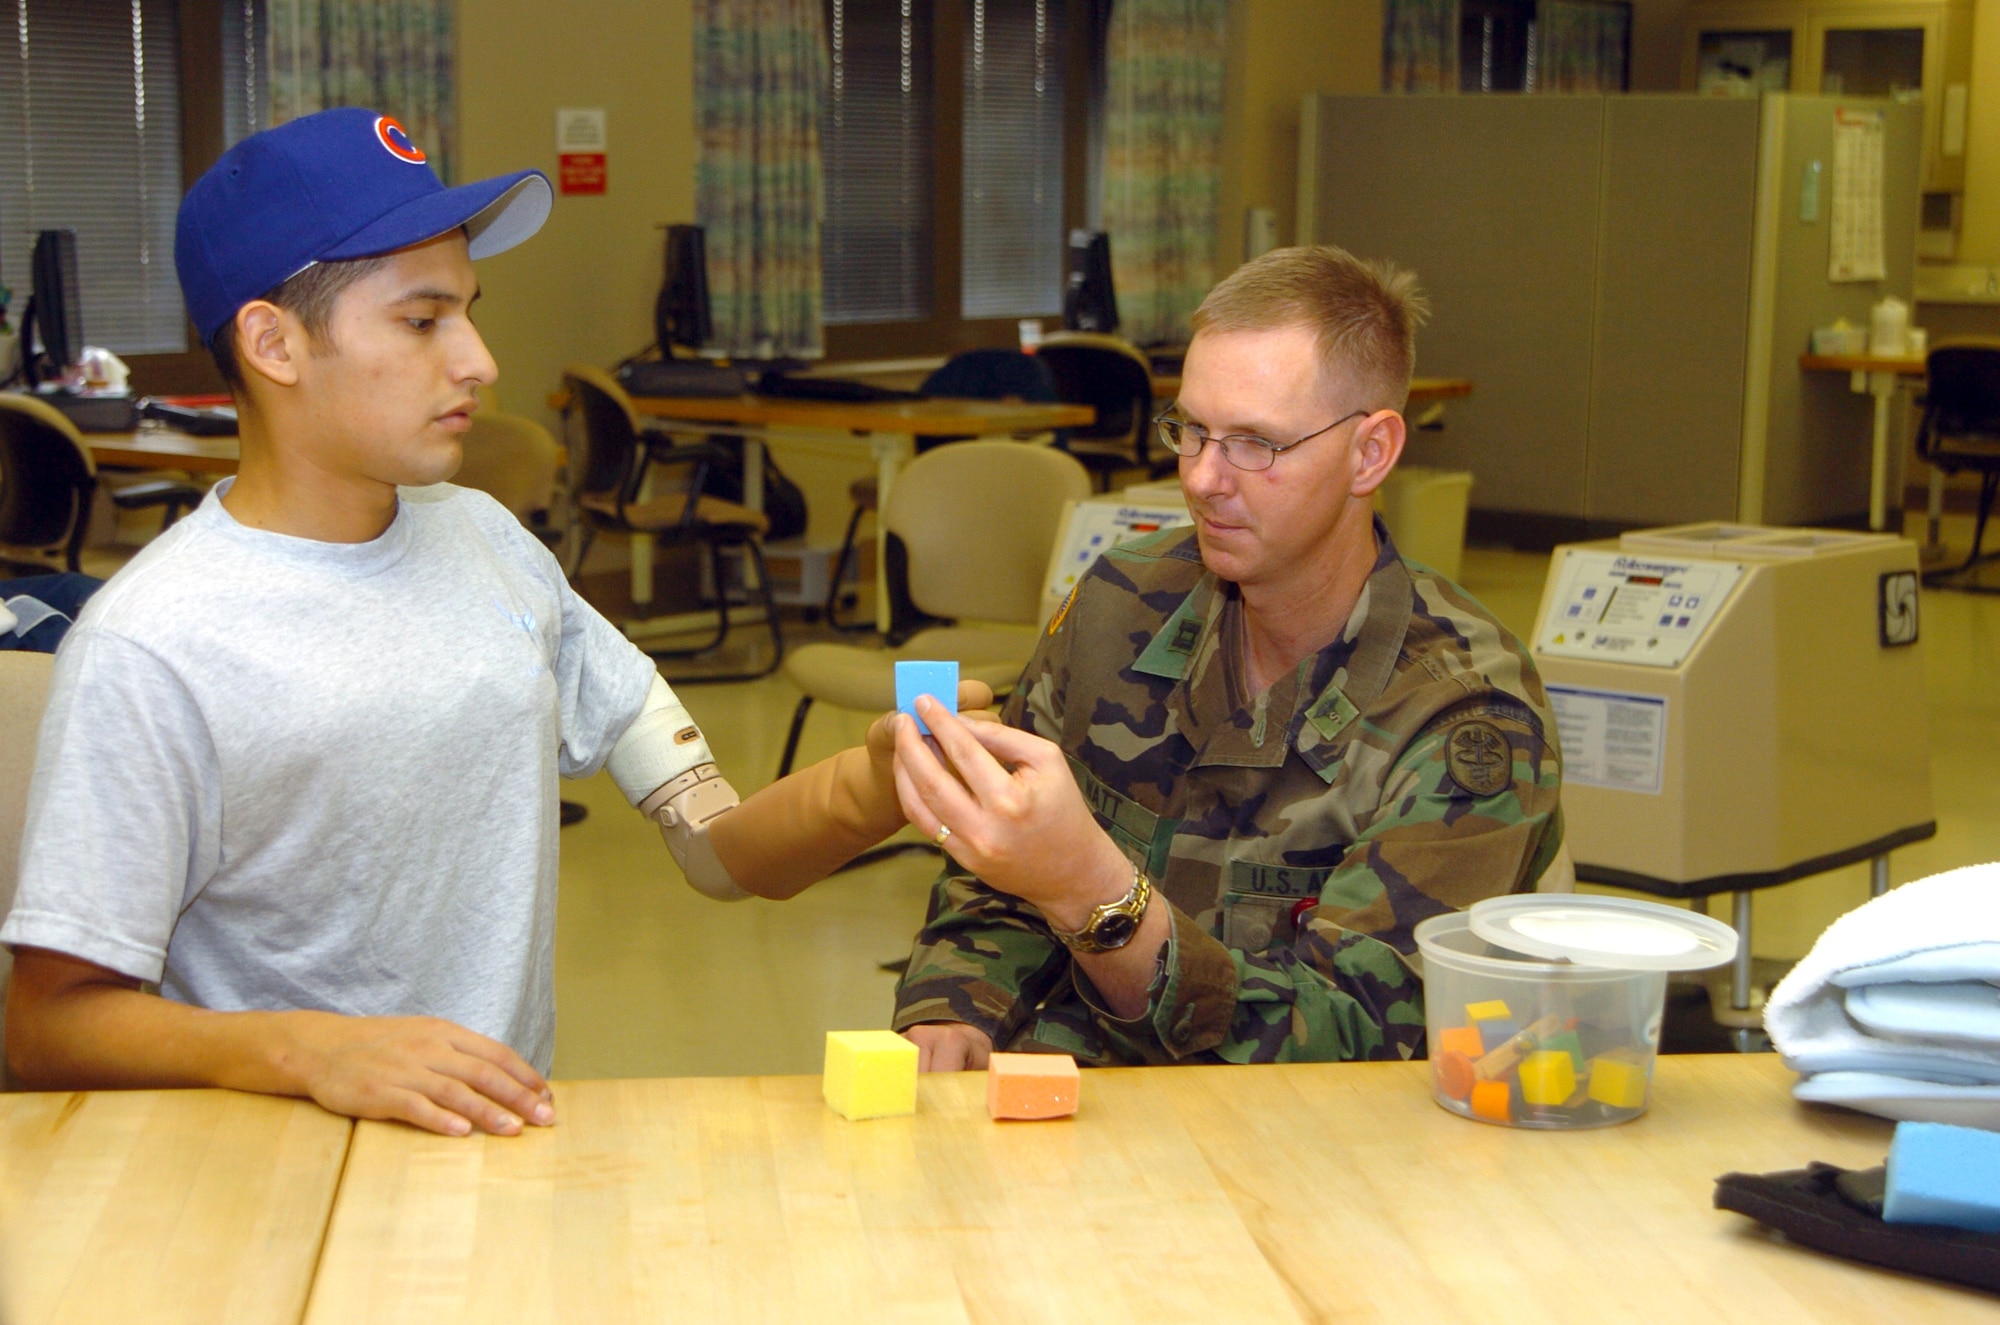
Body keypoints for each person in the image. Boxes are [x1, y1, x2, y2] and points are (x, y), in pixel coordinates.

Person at [1, 108, 981, 1135]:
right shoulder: (152, 641)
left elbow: (719, 851)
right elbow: (51, 1023)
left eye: (469, 311)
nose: (479, 360)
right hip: (275, 1179)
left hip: (495, 1157)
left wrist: (876, 781)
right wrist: (311, 1048)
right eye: (423, 320)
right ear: (272, 342)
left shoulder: (491, 544)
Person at [886, 245, 1564, 1071]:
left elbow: (1362, 1034)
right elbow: (995, 870)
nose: (1204, 478)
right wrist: (955, 1008)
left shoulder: (1462, 711)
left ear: (1371, 453)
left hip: (1307, 1155)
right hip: (1071, 1109)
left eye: (1255, 444)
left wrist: (1096, 894)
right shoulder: (1119, 605)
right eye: (1192, 430)